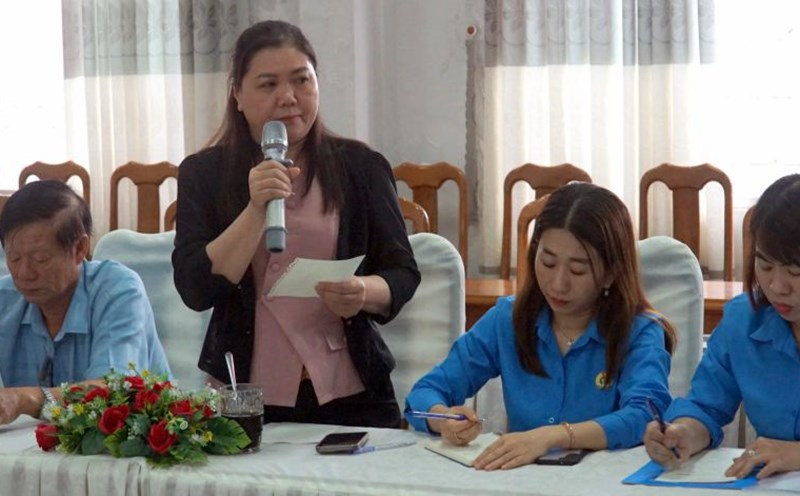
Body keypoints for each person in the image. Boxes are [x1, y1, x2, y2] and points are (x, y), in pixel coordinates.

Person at [172, 20, 420, 428]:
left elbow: (402, 272)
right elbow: (197, 288)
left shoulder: (361, 167)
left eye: (301, 81)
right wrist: (256, 209)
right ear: (237, 93)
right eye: (268, 85)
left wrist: (362, 291)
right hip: (245, 396)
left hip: (352, 390)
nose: (288, 98)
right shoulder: (204, 174)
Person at [405, 182, 676, 470]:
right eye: (547, 263)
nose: (558, 283)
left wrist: (552, 437)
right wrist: (443, 419)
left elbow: (644, 416)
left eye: (578, 270)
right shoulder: (508, 319)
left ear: (611, 273)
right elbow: (426, 392)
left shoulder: (640, 331)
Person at [644, 174, 800, 480]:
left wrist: (795, 453)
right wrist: (682, 433)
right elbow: (706, 406)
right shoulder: (743, 323)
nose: (777, 286)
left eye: (795, 271)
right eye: (765, 266)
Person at [0, 180, 171, 425]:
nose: (24, 273)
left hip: (135, 448)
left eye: (40, 258)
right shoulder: (6, 299)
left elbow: (114, 391)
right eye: (14, 258)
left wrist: (25, 399)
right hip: (40, 452)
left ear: (80, 248)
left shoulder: (118, 289)